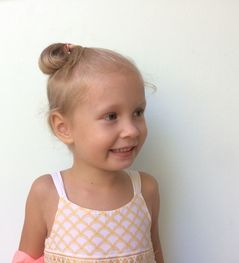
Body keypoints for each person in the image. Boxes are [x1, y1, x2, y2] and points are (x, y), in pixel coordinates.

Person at [12, 43, 164, 263]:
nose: (131, 130)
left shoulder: (146, 190)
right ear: (64, 127)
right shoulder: (47, 193)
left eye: (138, 112)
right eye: (111, 116)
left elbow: (156, 254)